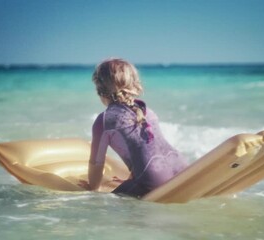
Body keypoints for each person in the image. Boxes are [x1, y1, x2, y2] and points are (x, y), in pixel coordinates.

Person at [80, 58, 188, 198]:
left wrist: (92, 188)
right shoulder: (146, 111)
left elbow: (96, 163)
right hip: (181, 168)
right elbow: (146, 147)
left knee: (108, 203)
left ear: (100, 90)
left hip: (154, 179)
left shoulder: (105, 120)